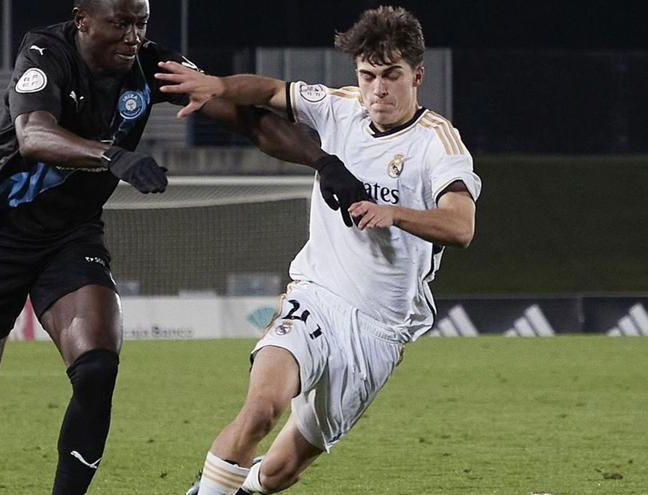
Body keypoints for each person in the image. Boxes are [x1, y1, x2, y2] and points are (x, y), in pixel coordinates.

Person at [0, 1, 369, 494]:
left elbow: (248, 119)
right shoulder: (46, 52)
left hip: (71, 239)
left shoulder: (152, 65)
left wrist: (324, 162)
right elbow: (33, 135)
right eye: (121, 23)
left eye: (142, 23)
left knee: (97, 368)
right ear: (83, 19)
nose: (133, 36)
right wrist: (113, 157)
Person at [156, 6, 482, 494]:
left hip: (380, 329)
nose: (378, 90)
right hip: (316, 296)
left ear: (417, 76)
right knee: (261, 410)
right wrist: (218, 85)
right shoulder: (341, 107)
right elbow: (269, 93)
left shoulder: (438, 143)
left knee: (280, 473)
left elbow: (461, 226)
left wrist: (394, 213)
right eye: (368, 76)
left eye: (391, 76)